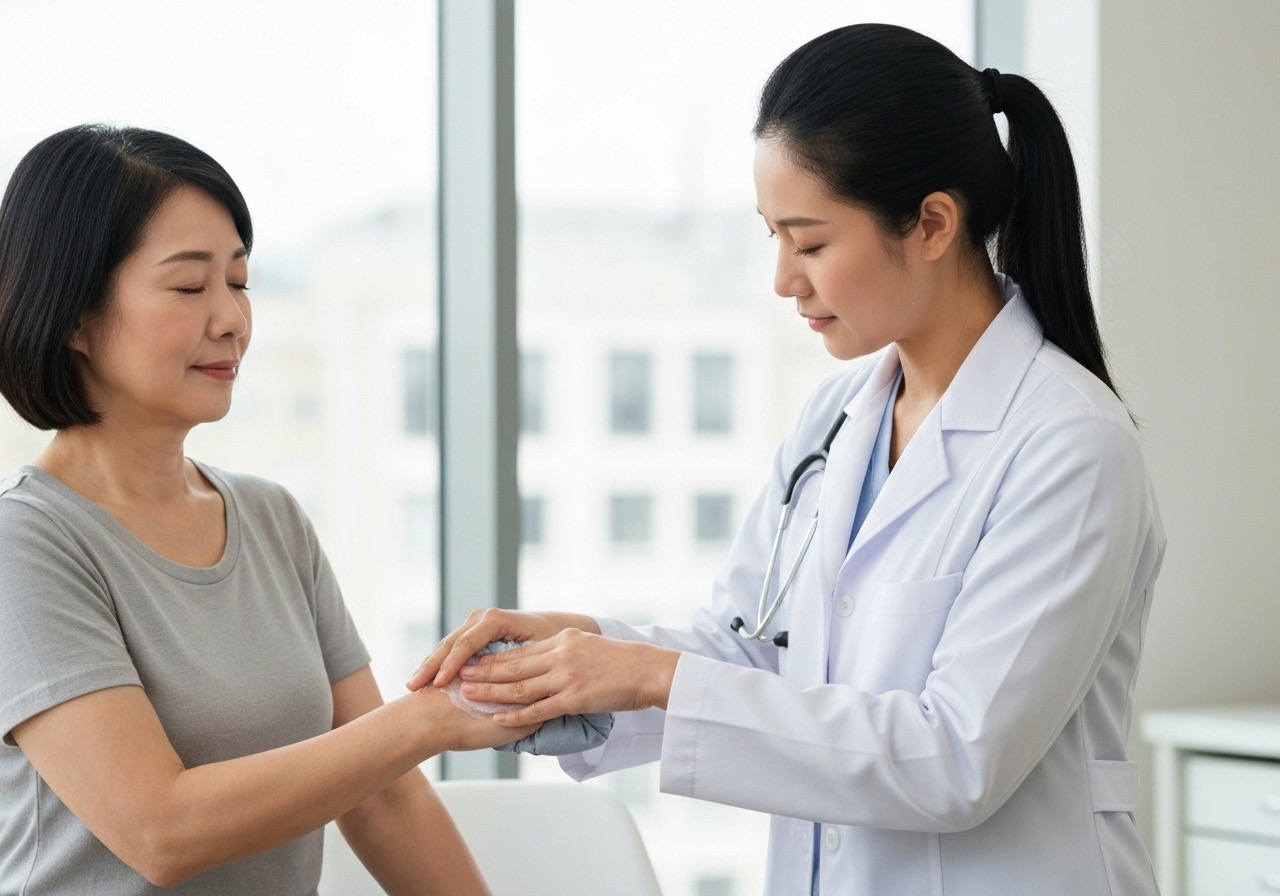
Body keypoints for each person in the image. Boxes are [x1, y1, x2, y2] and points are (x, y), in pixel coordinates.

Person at [412, 22, 1166, 896]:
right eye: (773, 237)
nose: (782, 278)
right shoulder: (836, 418)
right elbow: (756, 652)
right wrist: (586, 664)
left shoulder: (1069, 445)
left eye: (809, 243)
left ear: (930, 224)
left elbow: (955, 758)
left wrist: (653, 677)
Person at [0, 124, 537, 895]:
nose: (231, 320)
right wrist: (427, 719)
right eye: (190, 286)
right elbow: (161, 830)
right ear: (76, 315)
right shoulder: (25, 544)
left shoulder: (271, 519)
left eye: (240, 281)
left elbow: (383, 796)